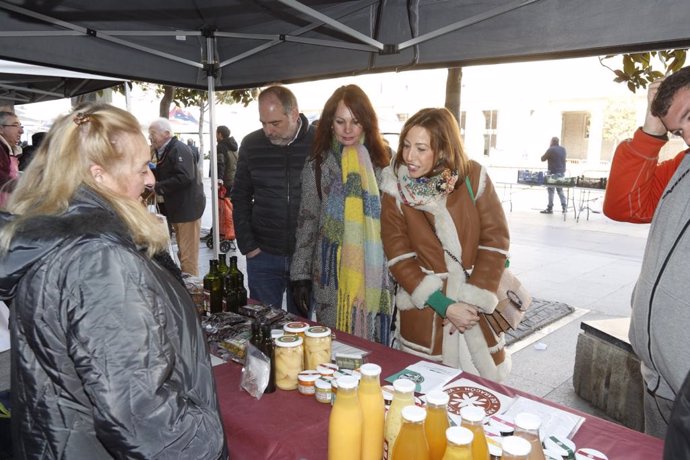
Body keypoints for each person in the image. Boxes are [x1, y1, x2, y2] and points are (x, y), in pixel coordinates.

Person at [0, 103, 227, 458]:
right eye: (141, 168)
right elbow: (140, 416)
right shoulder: (98, 262)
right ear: (99, 175)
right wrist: (206, 443)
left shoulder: (58, 237)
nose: (151, 178)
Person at [380, 108, 511, 381]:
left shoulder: (473, 176)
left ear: (441, 150)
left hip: (475, 311)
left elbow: (495, 240)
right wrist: (445, 306)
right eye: (406, 145)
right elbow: (398, 258)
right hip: (427, 313)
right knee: (425, 399)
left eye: (420, 148)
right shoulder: (394, 187)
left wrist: (469, 303)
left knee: (479, 398)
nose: (409, 156)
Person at [603, 67, 690, 438]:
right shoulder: (683, 165)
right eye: (681, 131)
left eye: (688, 117)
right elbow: (625, 204)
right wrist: (653, 130)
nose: (687, 136)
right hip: (660, 380)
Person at [290, 84, 393, 342]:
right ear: (330, 123)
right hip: (330, 274)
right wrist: (300, 275)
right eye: (340, 121)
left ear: (367, 123)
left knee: (373, 349)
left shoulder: (384, 162)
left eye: (355, 122)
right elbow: (307, 220)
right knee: (334, 346)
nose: (348, 129)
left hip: (374, 271)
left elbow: (395, 223)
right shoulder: (318, 163)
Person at [232, 86, 314, 315]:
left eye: (275, 123)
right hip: (263, 255)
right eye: (263, 123)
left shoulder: (318, 142)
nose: (268, 131)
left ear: (294, 114)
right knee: (264, 325)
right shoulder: (251, 144)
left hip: (306, 259)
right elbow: (239, 196)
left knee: (301, 328)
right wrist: (248, 246)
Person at [149, 118, 206, 276]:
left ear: (166, 134)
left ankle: (192, 292)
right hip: (179, 209)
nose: (150, 137)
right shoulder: (165, 150)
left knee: (188, 257)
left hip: (187, 209)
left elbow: (185, 176)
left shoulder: (178, 149)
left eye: (153, 133)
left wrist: (158, 187)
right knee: (183, 253)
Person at [0, 112, 23, 207]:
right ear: (0, 129)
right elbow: (1, 181)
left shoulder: (7, 148)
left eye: (21, 126)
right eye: (15, 125)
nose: (21, 131)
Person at [540, 136, 568, 214]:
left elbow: (542, 159)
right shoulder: (563, 149)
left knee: (551, 191)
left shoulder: (551, 149)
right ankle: (564, 207)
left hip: (552, 173)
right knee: (560, 190)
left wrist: (549, 149)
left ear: (552, 142)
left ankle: (550, 208)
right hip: (561, 173)